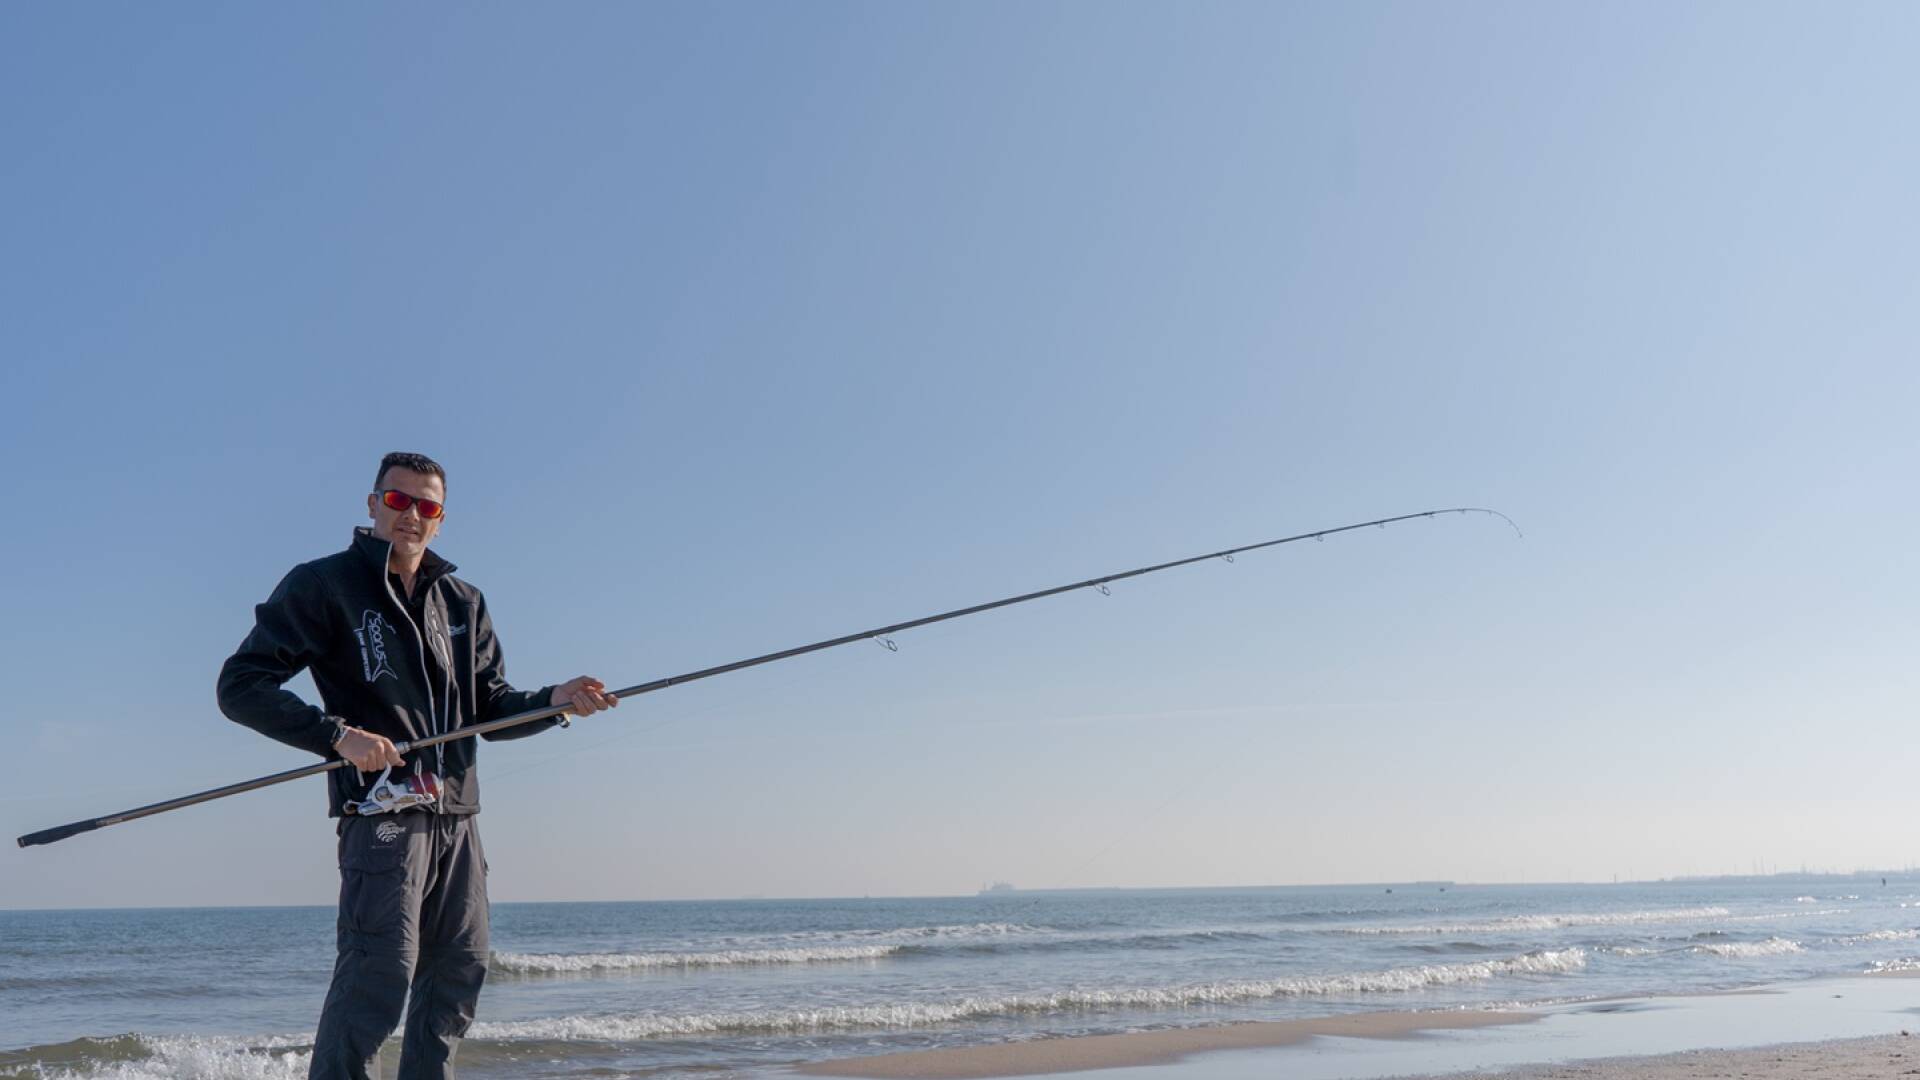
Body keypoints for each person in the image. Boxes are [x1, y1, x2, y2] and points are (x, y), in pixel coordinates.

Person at [218, 451, 617, 1080]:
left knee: (459, 969)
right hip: (382, 812)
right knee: (380, 969)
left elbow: (490, 705)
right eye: (399, 500)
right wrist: (336, 736)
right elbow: (240, 686)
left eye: (426, 506)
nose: (411, 515)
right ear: (373, 503)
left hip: (457, 814)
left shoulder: (463, 601)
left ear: (441, 518)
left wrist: (555, 703)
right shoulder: (324, 584)